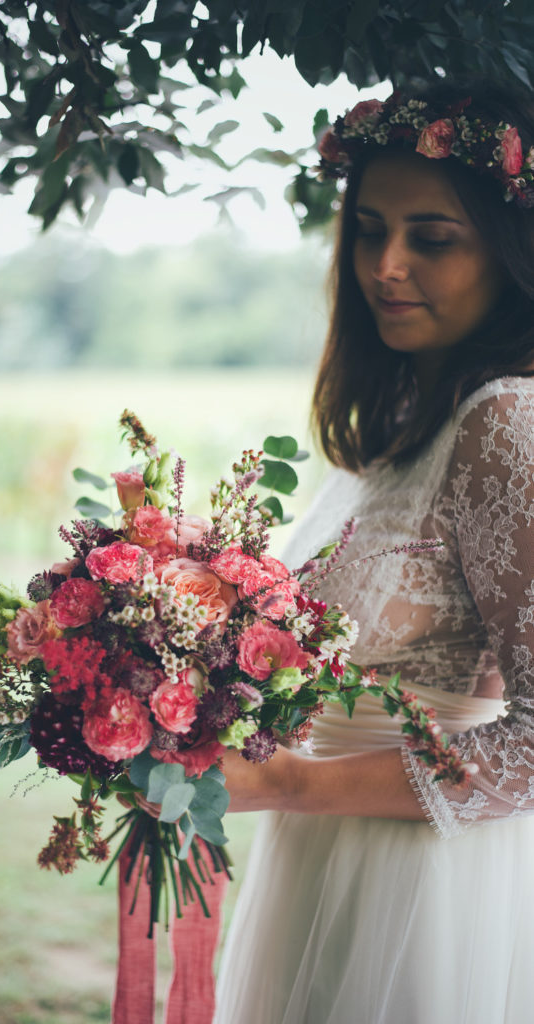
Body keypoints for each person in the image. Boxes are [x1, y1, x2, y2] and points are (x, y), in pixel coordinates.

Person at [212, 83, 534, 1024]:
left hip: (422, 884)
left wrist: (281, 782)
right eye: (367, 230)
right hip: (319, 861)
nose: (385, 266)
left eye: (431, 239)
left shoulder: (506, 425)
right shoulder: (404, 421)